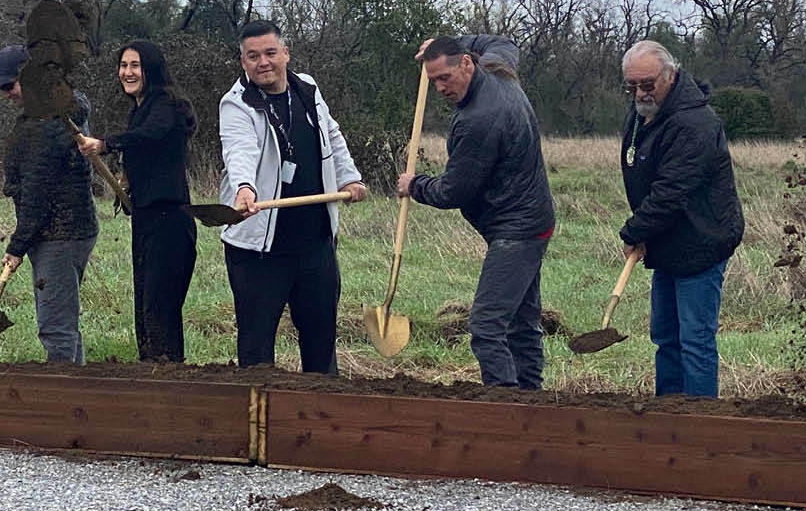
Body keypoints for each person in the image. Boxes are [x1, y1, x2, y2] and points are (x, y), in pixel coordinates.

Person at [400, 35, 555, 388]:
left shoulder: (479, 121)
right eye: (433, 80)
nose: (440, 87)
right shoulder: (498, 67)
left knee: (486, 325)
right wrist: (449, 41)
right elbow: (502, 41)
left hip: (517, 229)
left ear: (466, 64)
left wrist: (415, 184)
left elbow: (454, 191)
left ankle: (504, 406)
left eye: (445, 78)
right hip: (533, 217)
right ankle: (530, 401)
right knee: (521, 321)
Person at [218, 21, 367, 374]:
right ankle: (259, 419)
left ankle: (323, 414)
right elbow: (240, 149)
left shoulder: (307, 89)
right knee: (256, 348)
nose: (263, 62)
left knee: (320, 338)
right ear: (243, 62)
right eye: (253, 56)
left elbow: (332, 134)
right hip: (258, 249)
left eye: (270, 53)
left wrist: (350, 178)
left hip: (314, 241)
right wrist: (244, 188)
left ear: (286, 53)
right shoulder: (236, 104)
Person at [616, 40, 744, 397]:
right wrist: (646, 231)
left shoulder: (695, 123)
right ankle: (668, 417)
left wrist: (634, 231)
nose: (639, 93)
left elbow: (671, 191)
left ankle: (700, 426)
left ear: (670, 76)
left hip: (701, 241)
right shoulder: (644, 112)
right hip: (667, 241)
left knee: (695, 341)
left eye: (646, 84)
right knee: (665, 338)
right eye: (631, 86)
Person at [80, 41, 198, 362]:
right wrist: (127, 178)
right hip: (147, 218)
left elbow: (151, 134)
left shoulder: (165, 103)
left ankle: (167, 378)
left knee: (159, 309)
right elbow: (149, 150)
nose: (127, 72)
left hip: (169, 221)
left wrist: (106, 144)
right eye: (123, 65)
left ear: (152, 68)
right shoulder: (141, 107)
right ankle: (151, 375)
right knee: (145, 310)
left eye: (135, 65)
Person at [0, 44, 99, 364]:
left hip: (58, 233)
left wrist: (17, 245)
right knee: (63, 323)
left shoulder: (50, 122)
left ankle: (63, 398)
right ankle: (77, 391)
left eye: (10, 85)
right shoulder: (57, 111)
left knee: (55, 326)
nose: (7, 94)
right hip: (69, 229)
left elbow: (38, 192)